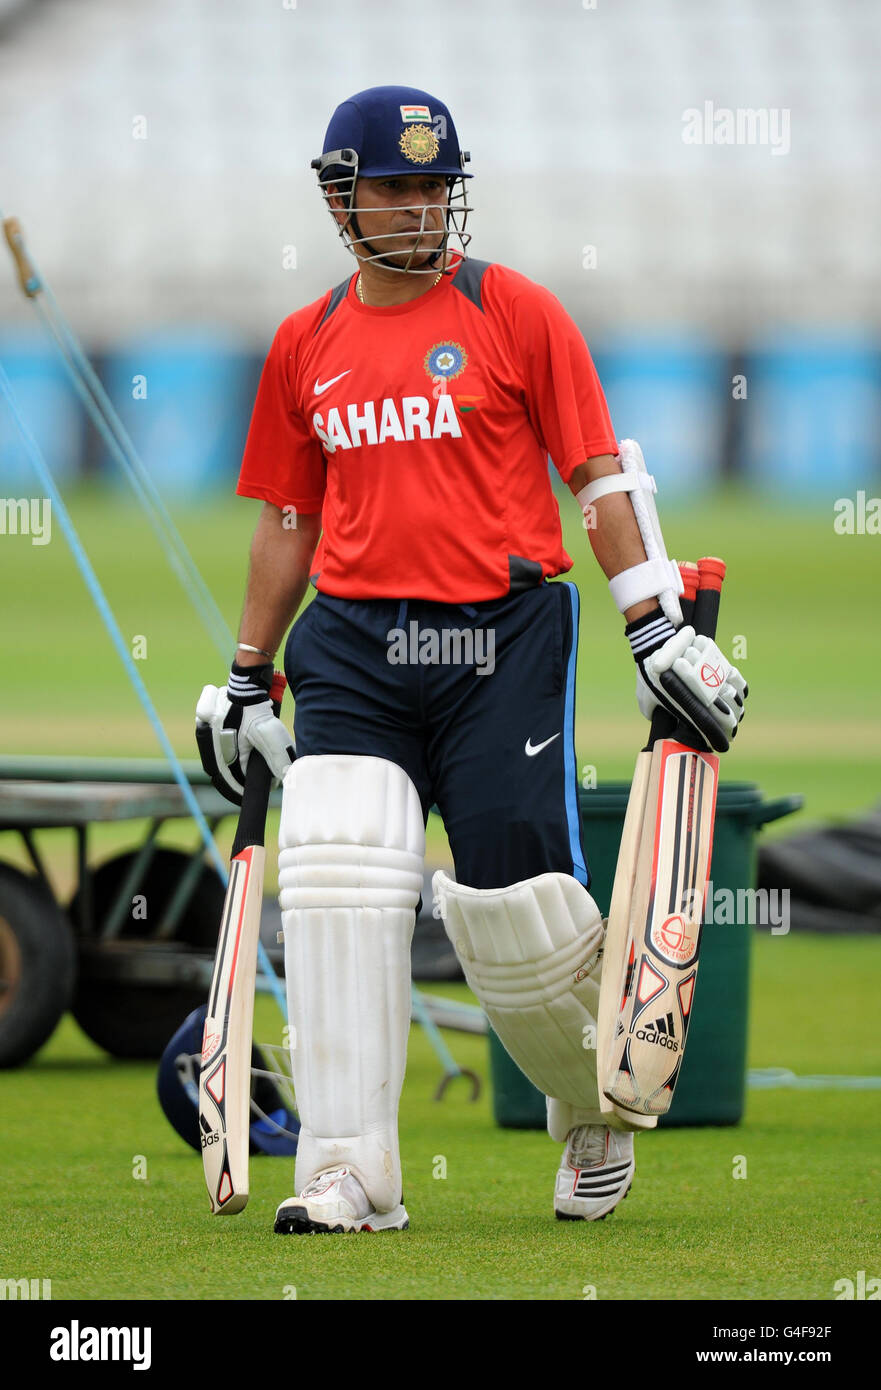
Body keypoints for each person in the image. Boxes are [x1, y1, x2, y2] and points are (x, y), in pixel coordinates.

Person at [195, 85, 747, 1235]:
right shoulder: (305, 342)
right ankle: (347, 1171)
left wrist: (656, 629)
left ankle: (586, 1103)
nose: (421, 206)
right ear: (341, 201)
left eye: (435, 183)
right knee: (340, 877)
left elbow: (597, 477)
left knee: (518, 903)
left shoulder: (516, 311)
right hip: (351, 639)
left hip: (498, 634)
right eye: (394, 187)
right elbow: (288, 519)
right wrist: (248, 671)